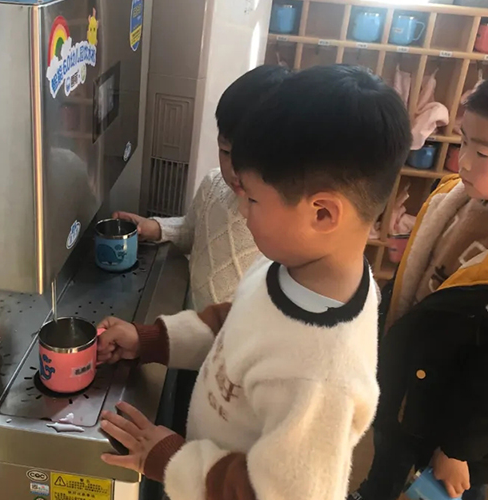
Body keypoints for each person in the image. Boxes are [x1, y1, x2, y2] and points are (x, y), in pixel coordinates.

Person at [95, 65, 412, 500]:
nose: (241, 209)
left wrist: (172, 459)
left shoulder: (321, 373)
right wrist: (150, 340)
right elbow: (236, 324)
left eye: (254, 199)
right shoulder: (288, 267)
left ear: (322, 213)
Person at [352, 61, 488, 500]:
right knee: (389, 460)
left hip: (458, 429)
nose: (463, 160)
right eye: (464, 140)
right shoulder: (454, 200)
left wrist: (460, 450)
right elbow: (414, 282)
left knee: (448, 491)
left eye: (482, 153)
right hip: (410, 386)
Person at [112, 65, 289, 311]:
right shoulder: (212, 186)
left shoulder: (287, 224)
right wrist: (155, 228)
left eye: (250, 158)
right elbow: (192, 232)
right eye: (225, 152)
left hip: (237, 331)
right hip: (191, 320)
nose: (234, 170)